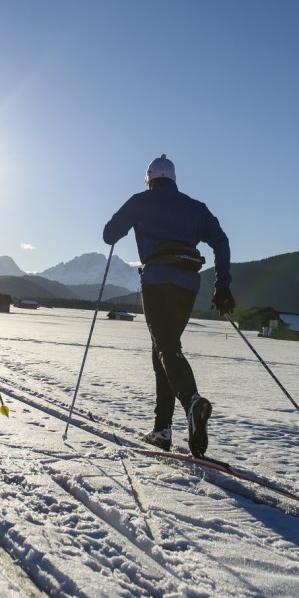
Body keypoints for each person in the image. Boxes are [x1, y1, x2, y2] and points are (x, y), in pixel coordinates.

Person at [103, 154, 235, 457]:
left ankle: (192, 402)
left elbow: (109, 234)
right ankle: (162, 430)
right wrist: (223, 285)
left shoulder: (141, 200)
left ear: (149, 179)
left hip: (157, 281)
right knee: (164, 346)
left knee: (165, 347)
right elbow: (222, 241)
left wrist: (125, 223)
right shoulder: (195, 207)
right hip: (188, 284)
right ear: (174, 180)